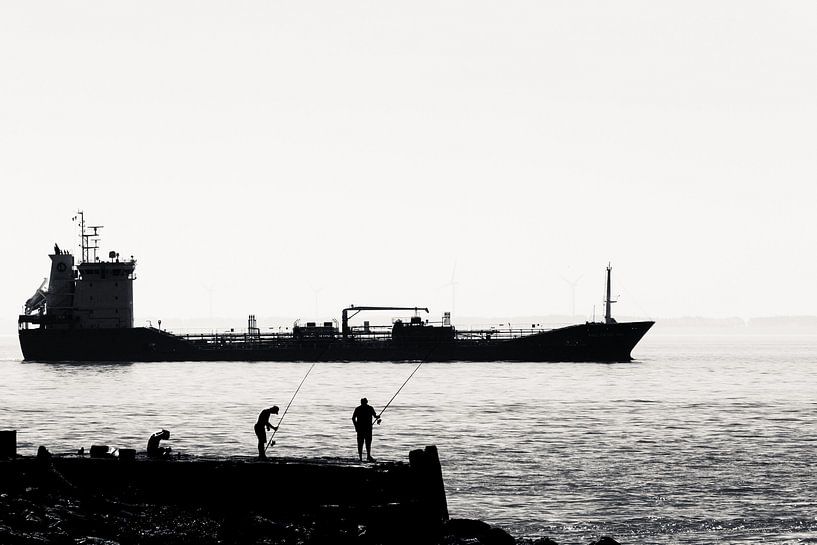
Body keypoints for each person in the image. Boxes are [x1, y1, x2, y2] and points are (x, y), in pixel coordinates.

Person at [352, 397, 380, 462]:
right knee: (368, 443)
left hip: (360, 429)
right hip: (368, 429)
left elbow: (353, 418)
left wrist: (356, 426)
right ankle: (368, 456)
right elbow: (375, 416)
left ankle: (361, 458)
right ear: (367, 402)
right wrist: (377, 417)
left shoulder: (358, 409)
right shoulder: (370, 408)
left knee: (360, 443)